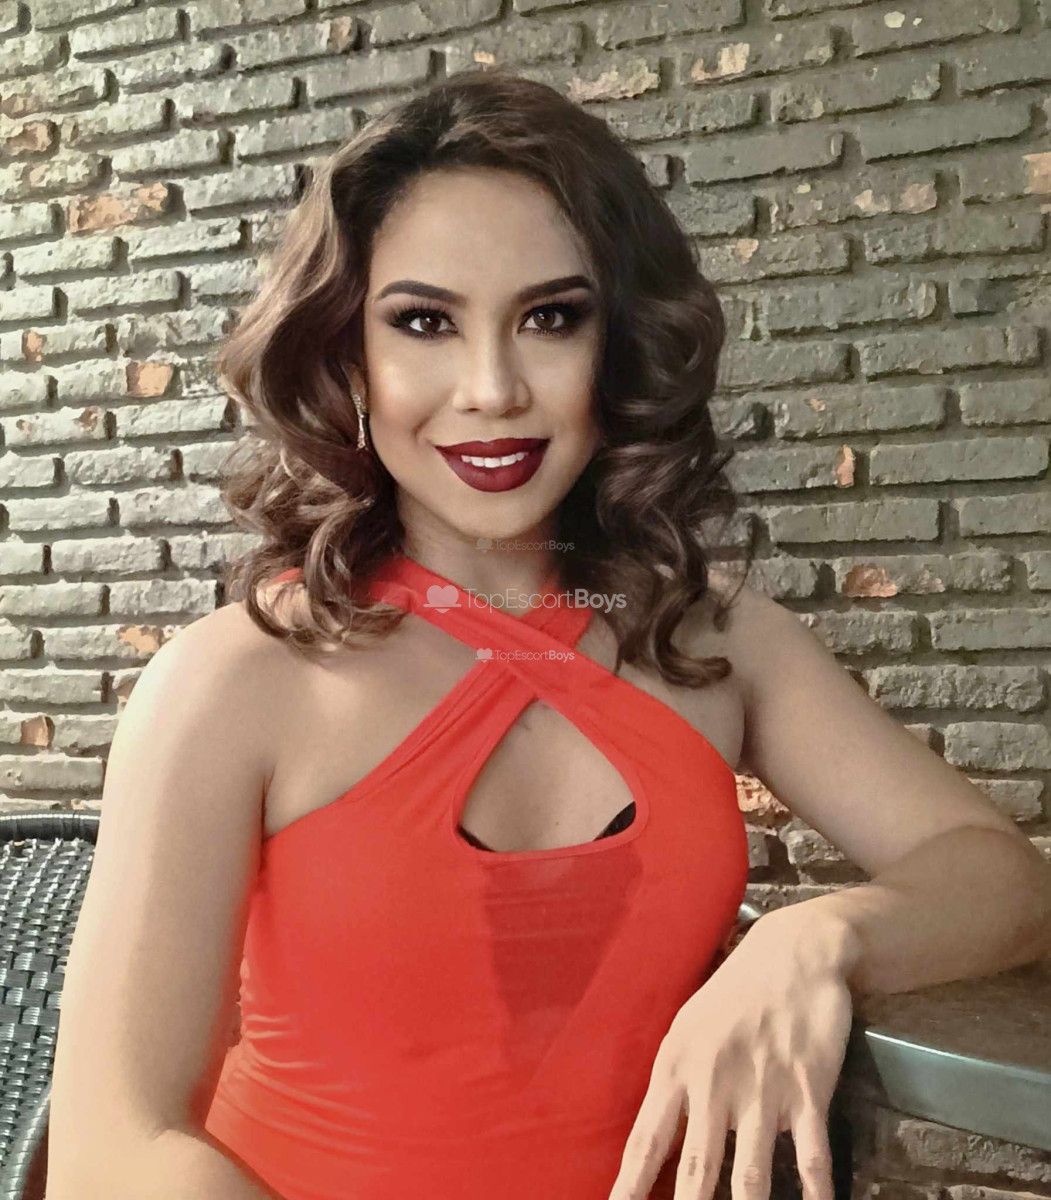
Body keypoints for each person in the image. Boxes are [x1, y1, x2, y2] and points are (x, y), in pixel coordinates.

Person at [46, 68, 1051, 1200]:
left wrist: (816, 938)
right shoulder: (231, 683)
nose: (492, 390)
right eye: (424, 322)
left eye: (551, 318)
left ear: (615, 345)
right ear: (350, 358)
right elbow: (110, 1149)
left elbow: (1004, 881)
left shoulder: (715, 644)